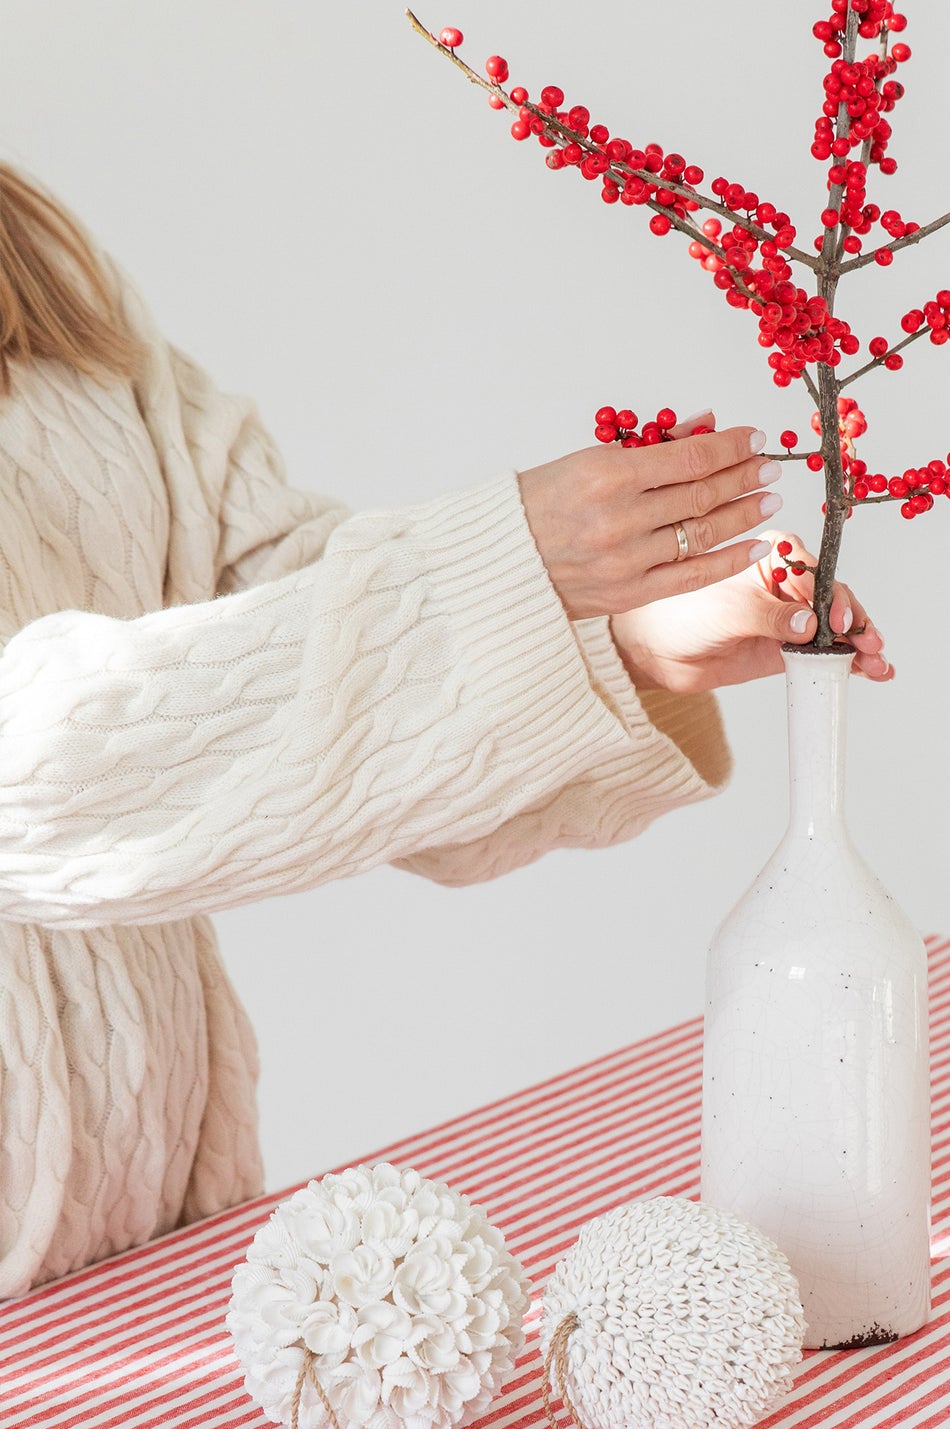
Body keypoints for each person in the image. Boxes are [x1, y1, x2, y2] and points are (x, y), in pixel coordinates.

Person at [0, 165, 891, 1297]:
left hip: (164, 1238)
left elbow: (283, 620)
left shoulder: (49, 290)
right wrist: (502, 569)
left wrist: (614, 642)